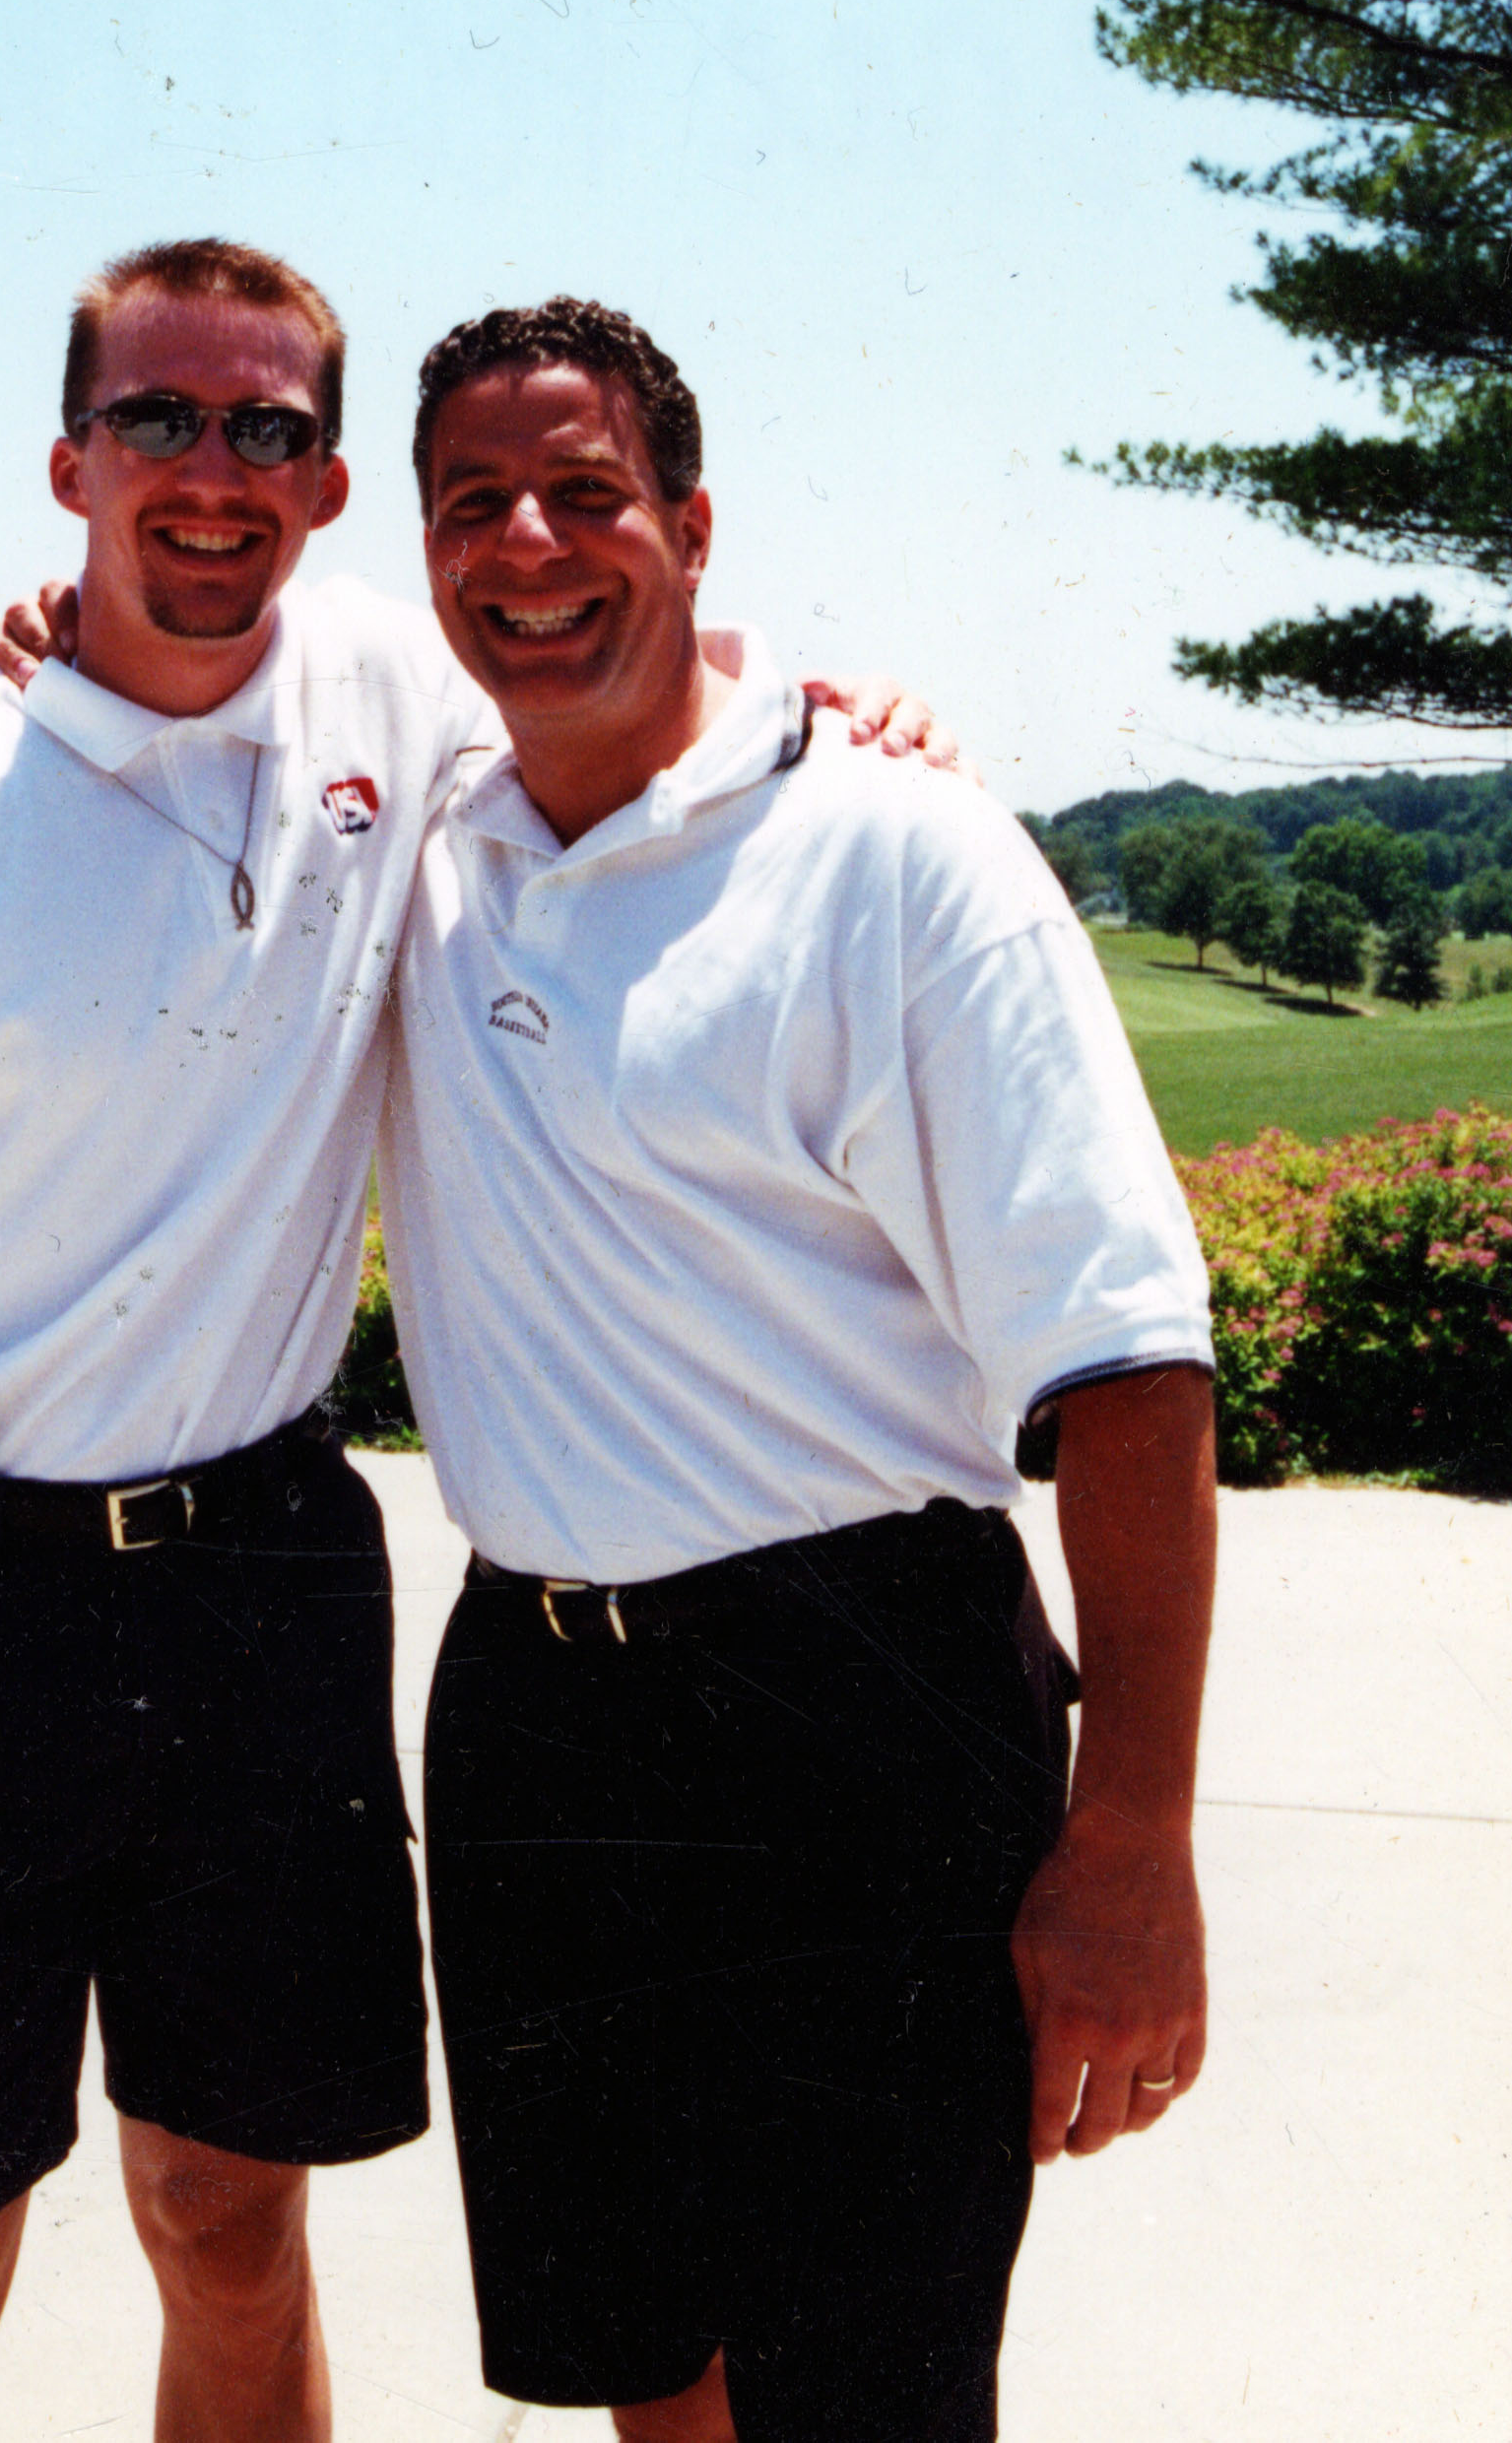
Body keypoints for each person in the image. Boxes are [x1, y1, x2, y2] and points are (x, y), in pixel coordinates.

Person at [0, 235, 940, 2443]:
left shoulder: (399, 705)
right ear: (68, 462)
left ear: (326, 487)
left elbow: (648, 697)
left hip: (258, 1591)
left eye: (266, 429)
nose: (209, 469)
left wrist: (841, 715)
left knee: (233, 2223)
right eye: (157, 418)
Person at [378, 297, 1216, 2443]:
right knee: (645, 2372)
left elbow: (1129, 1366)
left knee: (866, 2391)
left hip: (856, 1706)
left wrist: (1131, 1832)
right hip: (534, 1713)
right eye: (473, 501)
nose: (526, 543)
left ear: (690, 526)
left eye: (584, 491)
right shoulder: (423, 840)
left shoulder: (898, 853)